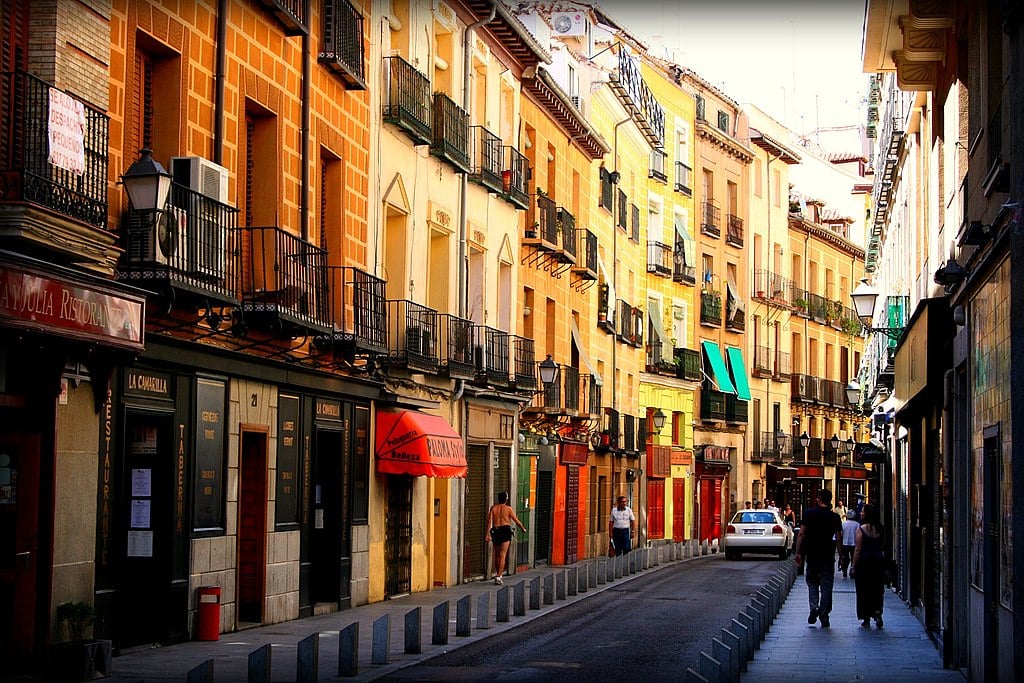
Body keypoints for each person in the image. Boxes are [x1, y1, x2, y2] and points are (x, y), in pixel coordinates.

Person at [794, 489, 843, 628]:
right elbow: (839, 538)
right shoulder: (834, 517)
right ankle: (824, 614)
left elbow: (802, 534)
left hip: (812, 554)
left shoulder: (809, 514)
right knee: (827, 586)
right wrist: (842, 556)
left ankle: (814, 607)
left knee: (812, 582)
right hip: (828, 555)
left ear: (820, 499)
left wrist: (798, 553)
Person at [851, 504, 886, 628]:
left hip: (864, 563)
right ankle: (877, 611)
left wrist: (853, 566)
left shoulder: (861, 529)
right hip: (878, 561)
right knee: (877, 588)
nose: (860, 513)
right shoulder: (880, 528)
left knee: (863, 589)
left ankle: (865, 617)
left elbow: (858, 549)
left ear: (867, 514)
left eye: (862, 512)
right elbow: (882, 545)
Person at [485, 491, 526, 585]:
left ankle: (497, 574)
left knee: (497, 554)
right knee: (503, 554)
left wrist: (487, 534)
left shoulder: (493, 508)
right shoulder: (508, 509)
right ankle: (499, 576)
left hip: (495, 530)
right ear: (506, 499)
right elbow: (516, 520)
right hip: (505, 530)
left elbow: (489, 521)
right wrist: (522, 528)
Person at [839, 510, 859, 578]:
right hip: (854, 543)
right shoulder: (857, 524)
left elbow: (841, 534)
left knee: (845, 558)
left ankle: (844, 571)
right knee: (854, 558)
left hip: (845, 543)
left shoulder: (843, 524)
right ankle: (852, 570)